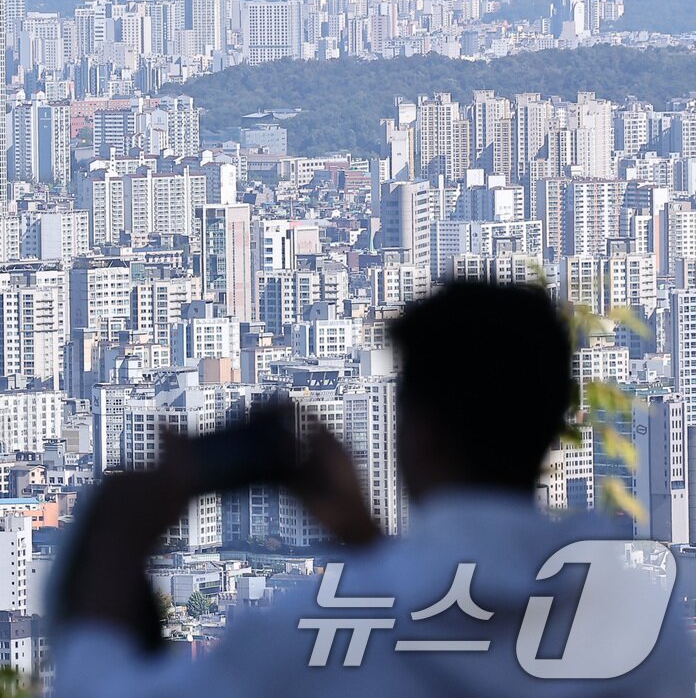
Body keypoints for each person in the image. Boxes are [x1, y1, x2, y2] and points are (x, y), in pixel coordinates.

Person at [52, 281, 693, 696]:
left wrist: (119, 534)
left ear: (419, 436)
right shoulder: (637, 629)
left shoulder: (309, 637)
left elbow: (104, 687)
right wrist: (367, 544)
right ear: (556, 425)